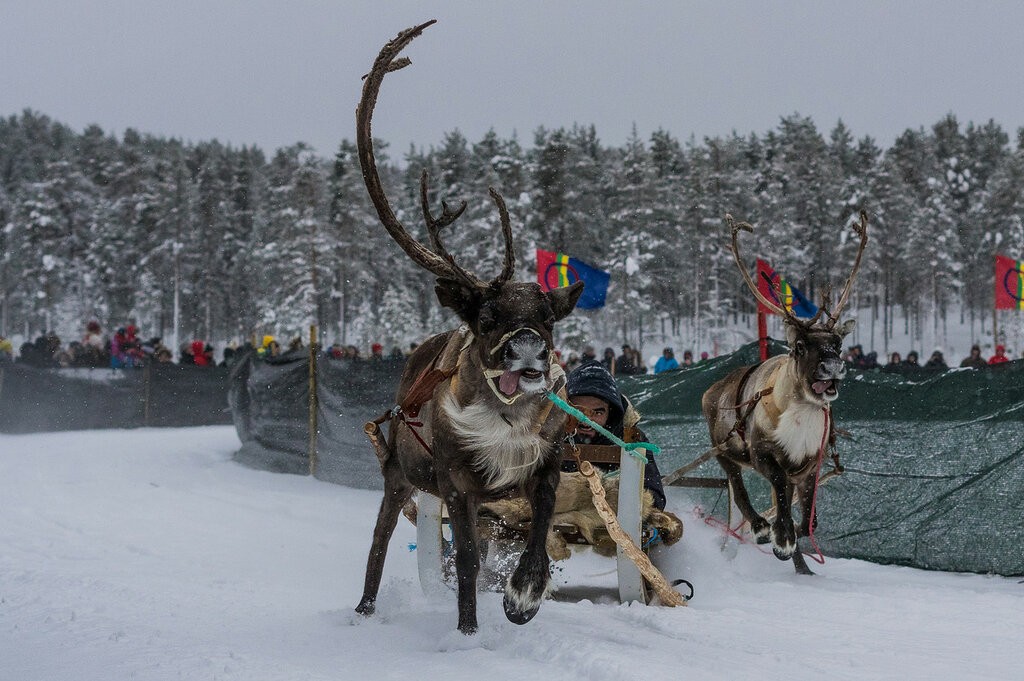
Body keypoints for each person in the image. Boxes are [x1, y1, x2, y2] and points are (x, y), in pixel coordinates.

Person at [562, 360, 666, 509]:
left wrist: (614, 492)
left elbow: (655, 500)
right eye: (578, 411)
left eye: (597, 412)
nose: (586, 421)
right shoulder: (551, 436)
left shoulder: (631, 438)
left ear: (611, 412)